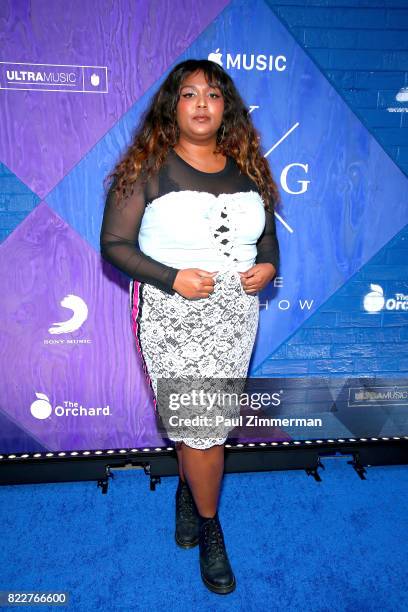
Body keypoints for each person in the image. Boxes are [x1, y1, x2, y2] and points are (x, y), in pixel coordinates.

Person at [100, 58, 280, 595]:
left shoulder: (249, 168)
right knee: (203, 430)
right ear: (171, 106)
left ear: (226, 106)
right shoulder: (147, 168)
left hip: (234, 315)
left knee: (203, 424)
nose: (202, 102)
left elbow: (266, 239)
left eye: (213, 93)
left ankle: (187, 493)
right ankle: (210, 526)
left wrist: (268, 266)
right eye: (189, 93)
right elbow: (115, 246)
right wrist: (173, 277)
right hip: (170, 312)